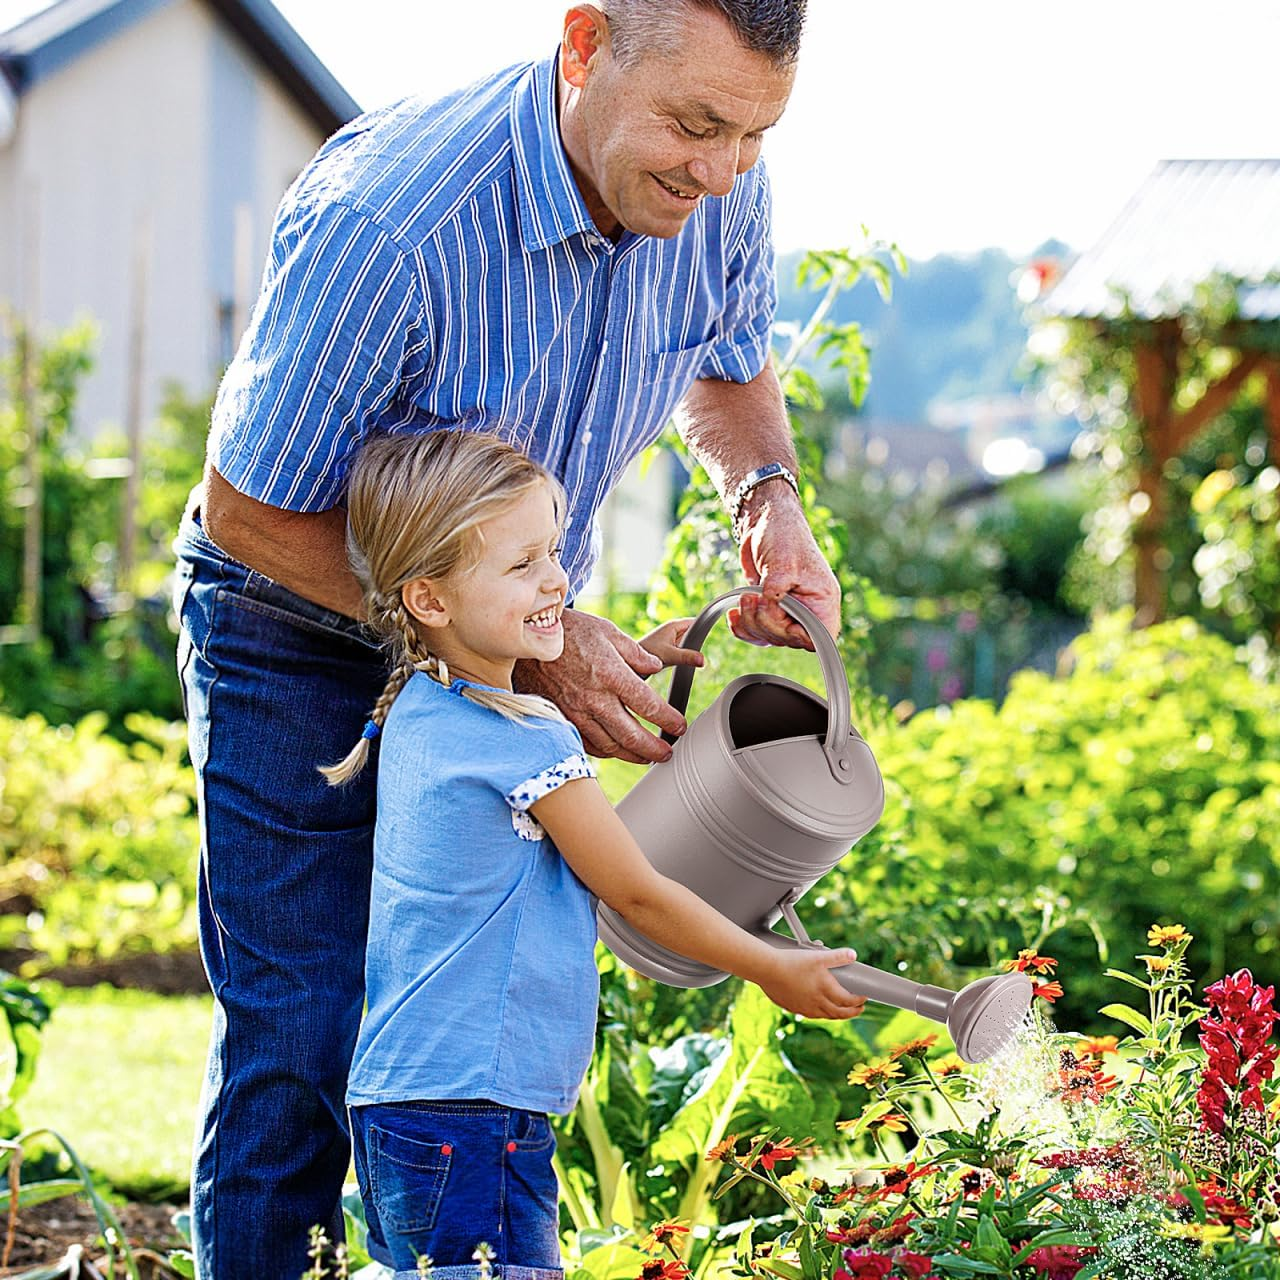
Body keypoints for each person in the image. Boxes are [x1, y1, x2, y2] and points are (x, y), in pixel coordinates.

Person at [173, 1, 842, 1275]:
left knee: (476, 1026)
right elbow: (249, 509)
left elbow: (729, 354)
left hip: (496, 639)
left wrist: (766, 496)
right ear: (584, 46)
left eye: (752, 139)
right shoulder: (397, 220)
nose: (717, 173)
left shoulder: (714, 180)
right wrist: (538, 649)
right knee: (305, 1031)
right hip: (293, 619)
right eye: (695, 125)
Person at [327, 429, 864, 1272]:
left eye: (552, 550)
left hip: (404, 1103)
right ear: (429, 600)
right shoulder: (522, 747)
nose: (557, 582)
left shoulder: (428, 709)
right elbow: (635, 892)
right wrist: (769, 965)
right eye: (521, 567)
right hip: (478, 1114)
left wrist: (643, 652)